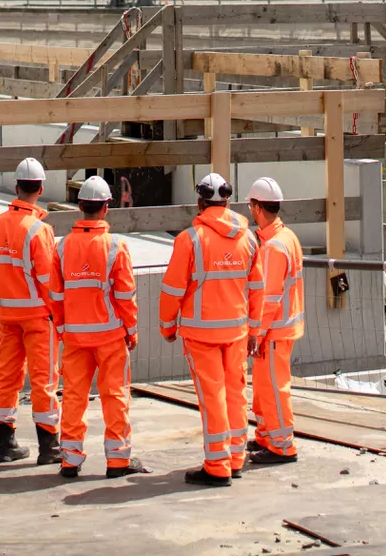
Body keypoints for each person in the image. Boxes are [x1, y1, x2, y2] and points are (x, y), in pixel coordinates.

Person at [158, 172, 265, 487]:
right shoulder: (248, 238)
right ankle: (234, 457)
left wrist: (167, 326)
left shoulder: (190, 240)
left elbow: (173, 290)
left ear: (200, 202)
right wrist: (254, 331)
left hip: (201, 334)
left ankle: (217, 466)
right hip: (237, 332)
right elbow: (257, 289)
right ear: (228, 201)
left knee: (213, 397)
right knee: (234, 393)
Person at [55, 176, 148, 479]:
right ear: (106, 208)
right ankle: (118, 461)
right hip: (110, 337)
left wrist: (61, 327)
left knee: (73, 396)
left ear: (80, 206)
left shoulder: (62, 247)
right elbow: (125, 295)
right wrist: (131, 330)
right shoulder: (116, 247)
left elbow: (55, 294)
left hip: (75, 337)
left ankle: (69, 459)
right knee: (115, 396)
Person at [0, 158, 64, 466]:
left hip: (8, 315)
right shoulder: (39, 230)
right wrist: (59, 315)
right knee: (44, 381)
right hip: (37, 317)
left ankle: (6, 446)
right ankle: (49, 448)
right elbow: (49, 281)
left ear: (16, 187)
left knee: (7, 377)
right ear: (41, 188)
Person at [246, 177, 305, 465]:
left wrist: (256, 333)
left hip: (274, 331)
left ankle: (282, 445)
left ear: (257, 207)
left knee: (273, 388)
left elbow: (269, 298)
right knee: (264, 386)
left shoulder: (273, 248)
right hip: (283, 327)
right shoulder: (287, 238)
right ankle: (267, 435)